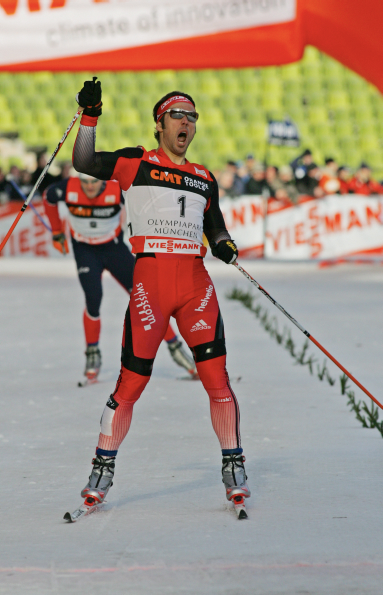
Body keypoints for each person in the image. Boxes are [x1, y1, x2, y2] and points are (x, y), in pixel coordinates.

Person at [70, 78, 250, 517]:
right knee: (131, 383)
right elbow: (85, 161)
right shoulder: (137, 163)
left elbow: (216, 226)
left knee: (217, 380)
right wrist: (89, 116)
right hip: (150, 281)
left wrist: (224, 243)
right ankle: (102, 468)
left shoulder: (205, 177)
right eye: (178, 116)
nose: (186, 123)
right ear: (160, 124)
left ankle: (233, 464)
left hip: (195, 284)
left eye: (192, 117)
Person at [43, 172, 197, 383]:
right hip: (85, 250)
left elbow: (146, 208)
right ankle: (92, 354)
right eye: (85, 183)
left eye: (94, 182)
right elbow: (48, 197)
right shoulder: (68, 187)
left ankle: (176, 348)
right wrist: (57, 232)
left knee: (145, 298)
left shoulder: (117, 189)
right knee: (93, 298)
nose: (89, 187)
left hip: (114, 249)